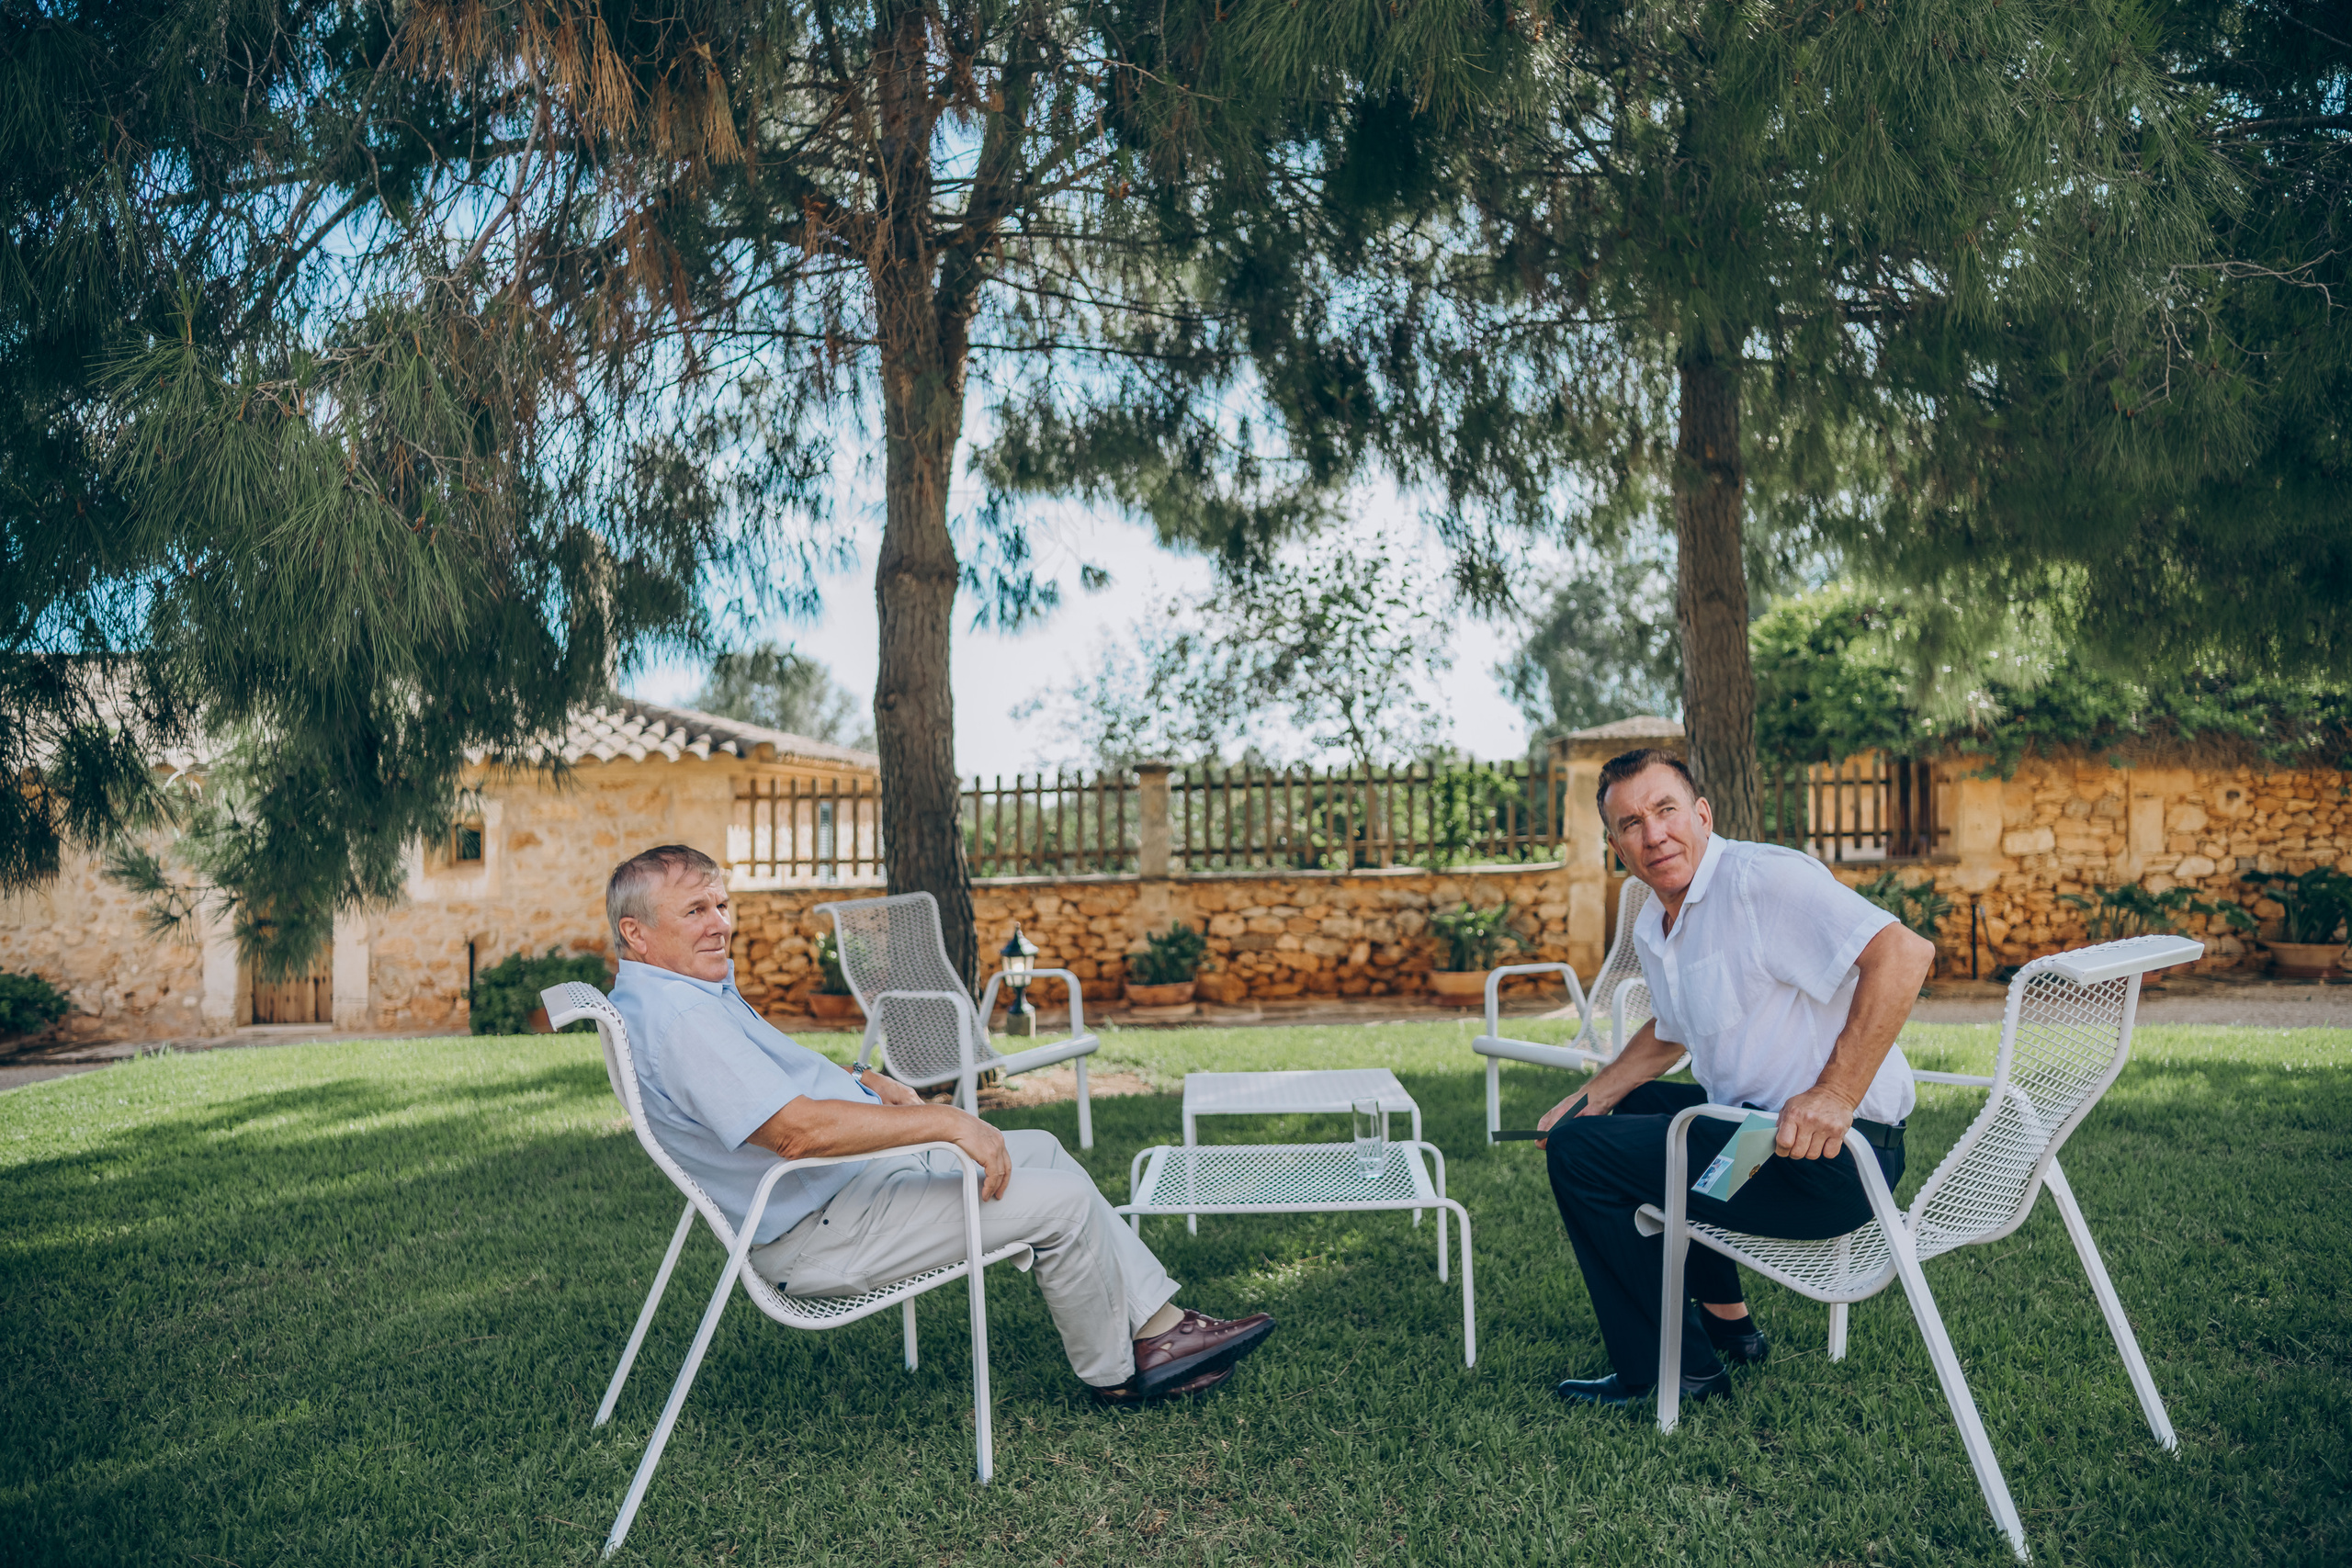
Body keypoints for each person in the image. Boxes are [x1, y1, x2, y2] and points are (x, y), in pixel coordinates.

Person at [602, 843, 1276, 1404]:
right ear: (636, 930)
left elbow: (765, 1095)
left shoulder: (671, 992)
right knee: (1063, 1204)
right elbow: (794, 1133)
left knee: (1035, 1145)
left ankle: (1158, 1326)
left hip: (838, 1191)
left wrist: (860, 1084)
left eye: (722, 904)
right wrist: (941, 1121)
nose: (720, 922)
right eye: (695, 909)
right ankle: (1121, 1376)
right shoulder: (682, 1018)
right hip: (823, 1230)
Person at [1539, 748, 1937, 1408]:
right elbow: (1670, 1030)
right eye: (1631, 823)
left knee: (1586, 1160)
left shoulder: (1760, 880)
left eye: (1666, 809)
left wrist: (1836, 1093)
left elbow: (1904, 954)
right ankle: (1730, 1325)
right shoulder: (1653, 922)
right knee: (1621, 1115)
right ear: (1616, 845)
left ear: (1702, 812)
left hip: (1828, 1160)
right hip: (1754, 1142)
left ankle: (1673, 1372)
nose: (1654, 833)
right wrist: (1589, 1098)